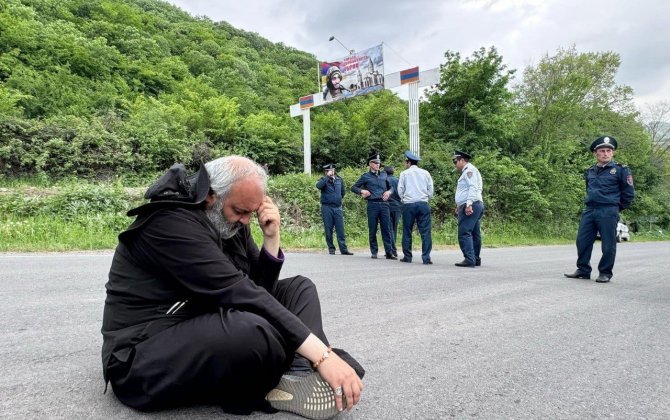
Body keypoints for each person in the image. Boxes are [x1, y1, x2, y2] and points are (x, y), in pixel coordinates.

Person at [101, 156, 364, 420]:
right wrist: (324, 357)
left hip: (201, 321)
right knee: (251, 331)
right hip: (144, 356)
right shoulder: (170, 223)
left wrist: (272, 238)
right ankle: (294, 369)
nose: (246, 221)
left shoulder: (227, 220)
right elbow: (241, 293)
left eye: (251, 212)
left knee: (299, 288)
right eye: (240, 211)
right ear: (211, 197)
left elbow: (260, 287)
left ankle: (298, 373)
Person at [564, 136, 635, 283]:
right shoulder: (590, 171)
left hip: (608, 210)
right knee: (582, 241)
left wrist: (615, 208)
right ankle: (583, 270)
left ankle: (605, 272)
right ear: (595, 153)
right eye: (602, 151)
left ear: (612, 153)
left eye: (609, 151)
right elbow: (588, 189)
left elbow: (628, 194)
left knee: (608, 243)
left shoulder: (621, 170)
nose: (605, 153)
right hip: (590, 210)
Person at [351, 152, 396, 260]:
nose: (378, 165)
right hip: (373, 204)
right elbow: (353, 187)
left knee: (386, 229)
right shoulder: (365, 176)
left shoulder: (384, 175)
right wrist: (362, 190)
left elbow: (392, 188)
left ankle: (389, 252)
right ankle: (374, 252)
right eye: (375, 163)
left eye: (379, 163)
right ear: (370, 164)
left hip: (384, 204)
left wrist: (389, 192)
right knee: (373, 229)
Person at [397, 151, 434, 264]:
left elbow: (400, 190)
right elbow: (431, 190)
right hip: (423, 204)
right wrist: (426, 198)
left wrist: (404, 199)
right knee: (425, 231)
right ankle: (426, 258)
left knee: (407, 231)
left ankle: (407, 257)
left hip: (409, 205)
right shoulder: (426, 173)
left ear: (408, 162)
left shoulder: (404, 173)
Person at [453, 150, 484, 267]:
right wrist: (460, 204)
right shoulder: (473, 170)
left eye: (455, 161)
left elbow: (472, 187)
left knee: (464, 232)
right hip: (476, 203)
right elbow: (478, 188)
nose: (455, 164)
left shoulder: (468, 171)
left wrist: (468, 204)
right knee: (475, 233)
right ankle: (475, 258)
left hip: (472, 204)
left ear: (462, 160)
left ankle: (469, 259)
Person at [316, 163, 353, 256]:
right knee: (328, 229)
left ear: (334, 171)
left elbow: (343, 192)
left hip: (338, 207)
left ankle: (343, 249)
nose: (330, 172)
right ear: (325, 172)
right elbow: (318, 186)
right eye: (328, 171)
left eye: (332, 170)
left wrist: (338, 199)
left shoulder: (339, 180)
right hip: (327, 207)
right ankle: (331, 248)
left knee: (340, 229)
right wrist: (326, 178)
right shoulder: (323, 180)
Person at [384, 165, 401, 258]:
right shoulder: (398, 180)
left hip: (387, 206)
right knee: (394, 228)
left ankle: (391, 250)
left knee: (388, 228)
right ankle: (391, 249)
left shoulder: (384, 180)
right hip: (397, 206)